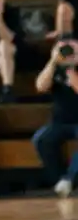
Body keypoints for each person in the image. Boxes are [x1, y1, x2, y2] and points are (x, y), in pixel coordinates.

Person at [32, 39, 78, 196]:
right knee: (40, 139)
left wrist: (73, 72)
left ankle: (70, 179)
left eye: (72, 48)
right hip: (60, 121)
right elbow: (40, 86)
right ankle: (60, 180)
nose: (68, 52)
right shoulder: (55, 69)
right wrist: (52, 61)